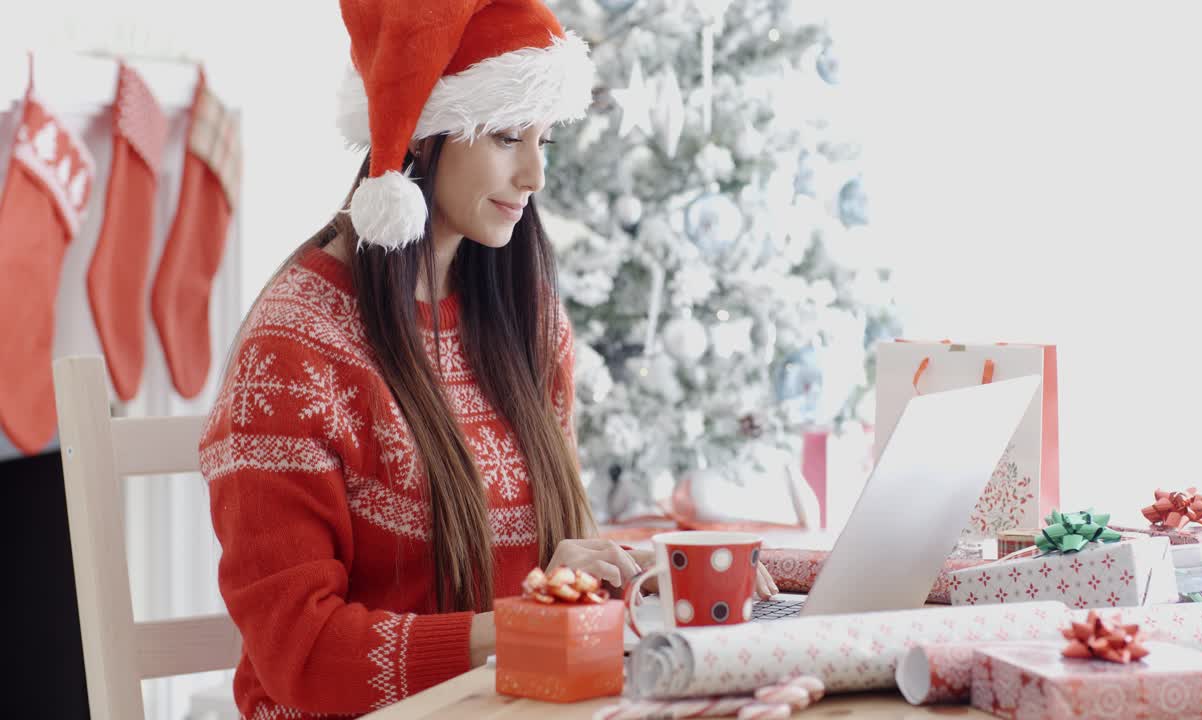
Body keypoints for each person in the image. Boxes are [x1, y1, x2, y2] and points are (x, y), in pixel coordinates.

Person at [199, 1, 777, 717]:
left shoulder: (523, 317)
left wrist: (634, 573)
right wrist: (520, 621)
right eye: (507, 136)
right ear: (419, 132)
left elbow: (551, 554)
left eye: (546, 140)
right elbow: (305, 659)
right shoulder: (291, 355)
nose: (535, 175)